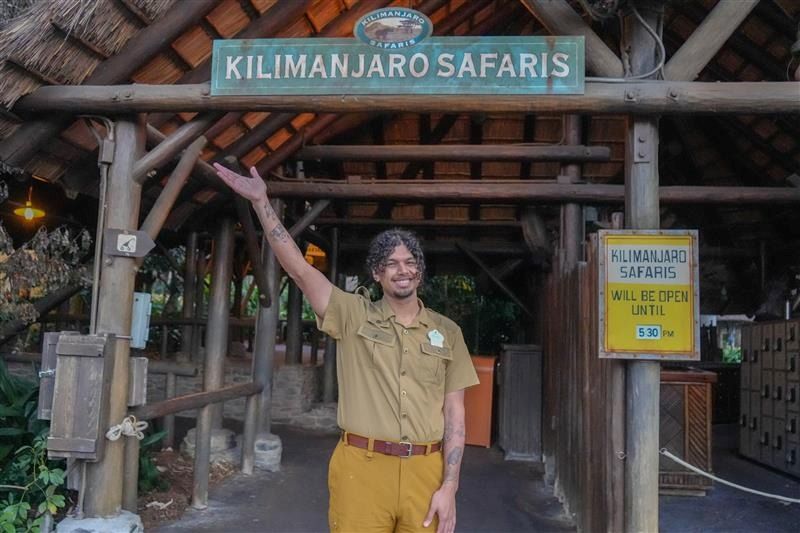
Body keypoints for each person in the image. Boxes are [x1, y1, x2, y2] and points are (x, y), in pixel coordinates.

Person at [214, 163, 479, 533]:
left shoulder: (448, 332)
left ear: (420, 270)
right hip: (362, 468)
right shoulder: (353, 314)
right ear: (376, 273)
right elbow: (300, 271)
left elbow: (456, 416)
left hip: (426, 471)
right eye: (391, 264)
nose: (402, 270)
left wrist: (449, 486)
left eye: (409, 262)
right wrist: (262, 203)